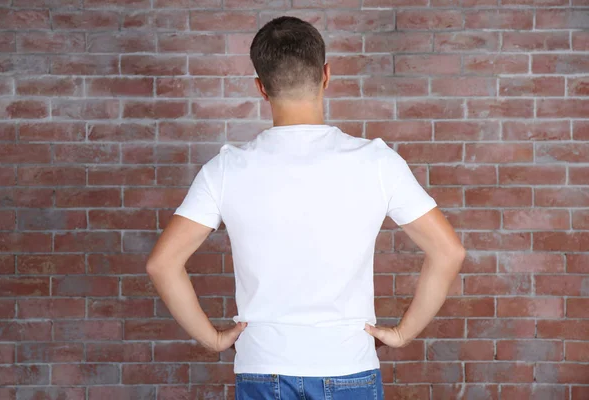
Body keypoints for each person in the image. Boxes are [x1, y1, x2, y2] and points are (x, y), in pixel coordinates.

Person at [146, 16, 466, 400]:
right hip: (348, 365)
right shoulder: (377, 163)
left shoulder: (225, 170)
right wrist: (401, 334)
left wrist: (214, 340)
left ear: (261, 88)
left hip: (263, 367)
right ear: (326, 75)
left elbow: (162, 264)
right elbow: (449, 251)